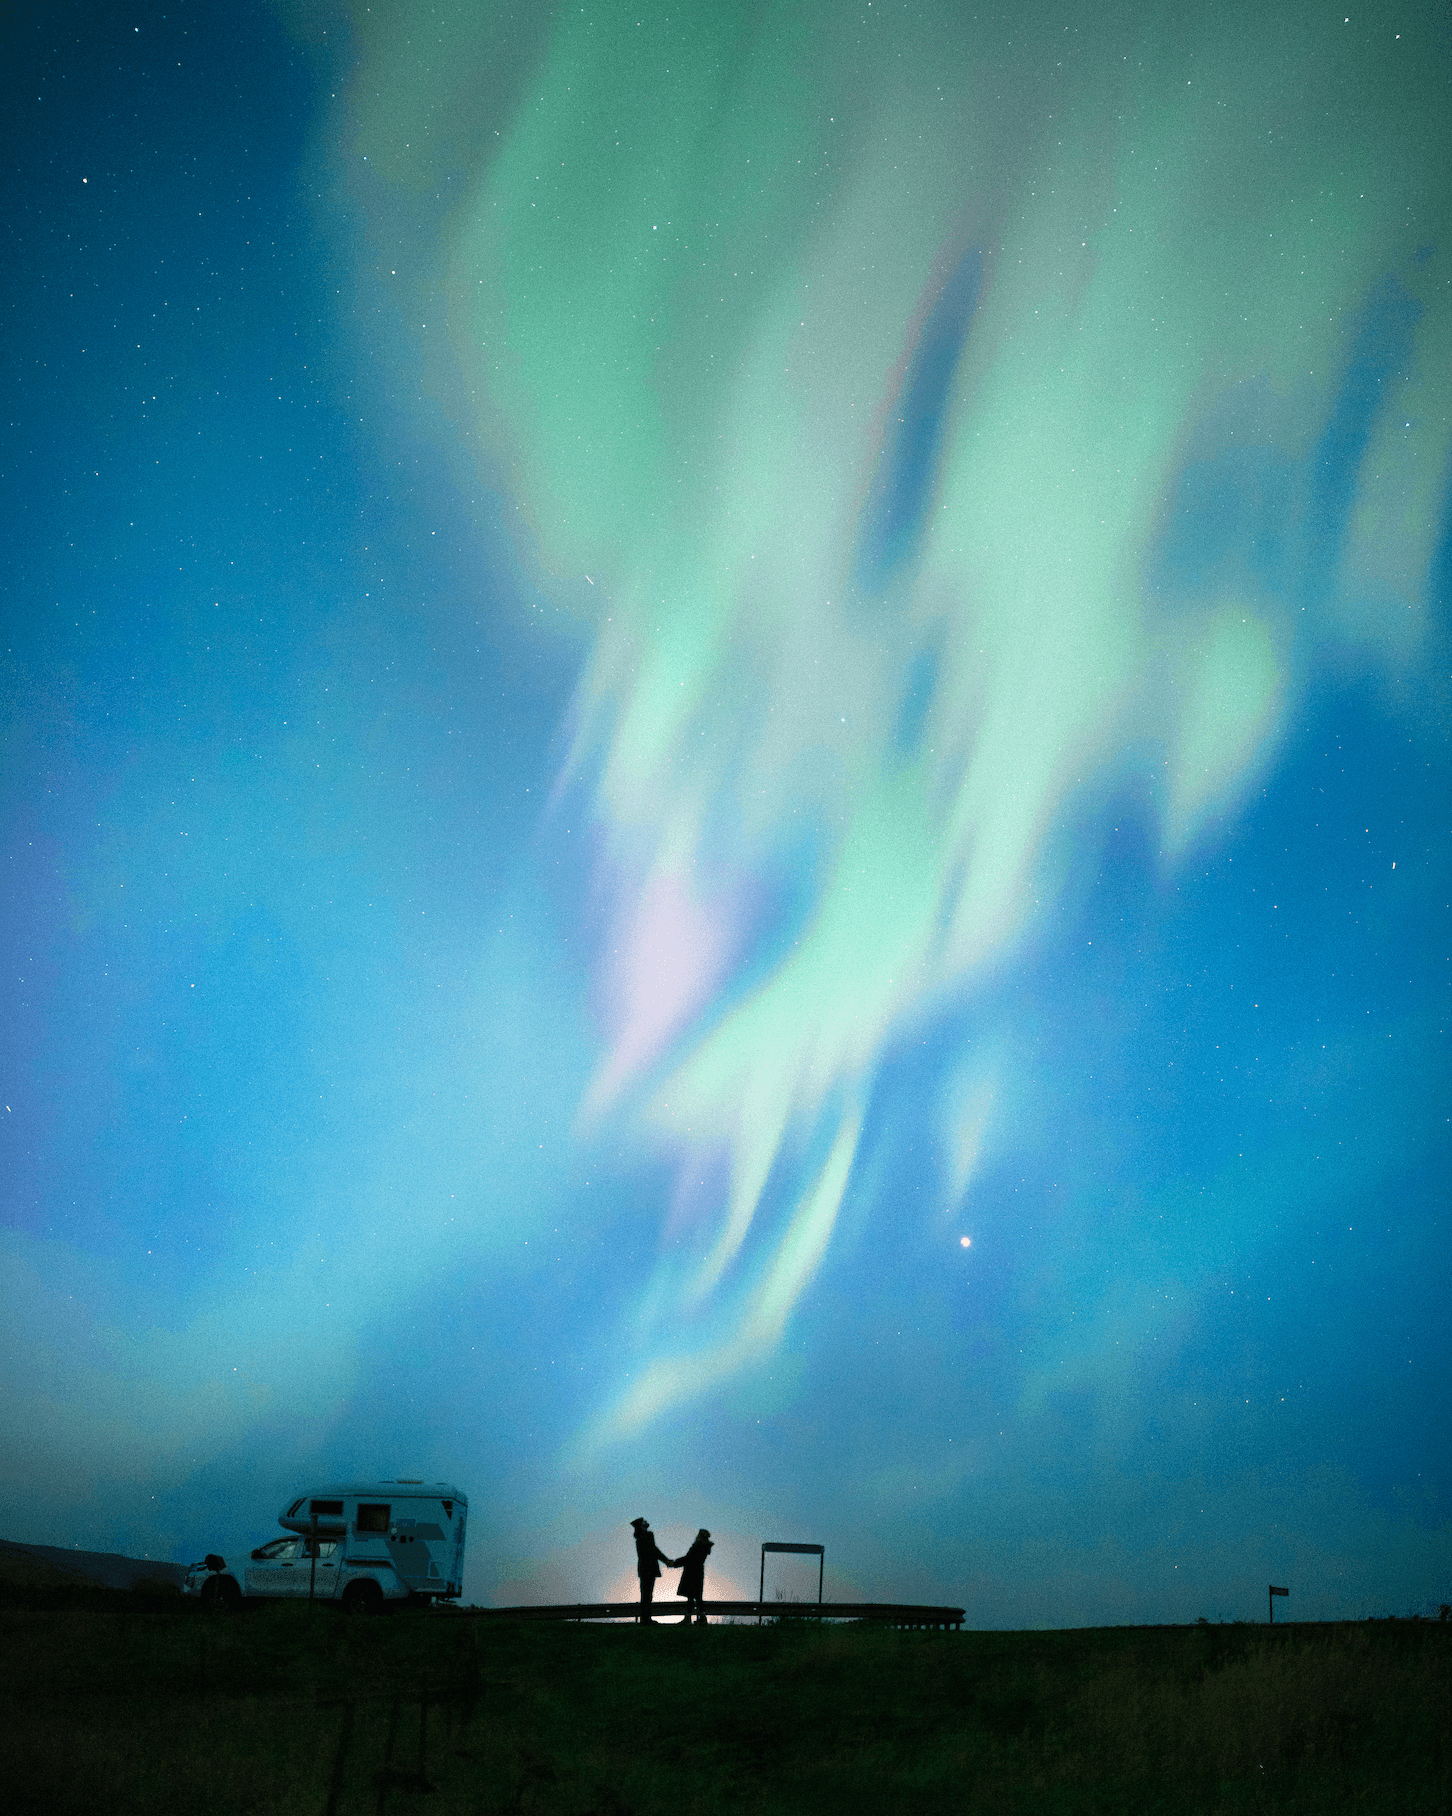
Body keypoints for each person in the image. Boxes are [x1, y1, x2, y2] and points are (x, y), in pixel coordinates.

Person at [630, 1517, 673, 1624]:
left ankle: (645, 1618)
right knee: (647, 1594)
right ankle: (646, 1618)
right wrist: (666, 1561)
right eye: (644, 1521)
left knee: (645, 1594)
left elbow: (653, 1550)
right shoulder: (647, 1536)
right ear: (641, 1525)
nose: (646, 1522)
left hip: (644, 1568)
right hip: (649, 1568)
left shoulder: (639, 1537)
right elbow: (654, 1550)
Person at [674, 1528, 713, 1626]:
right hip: (698, 1572)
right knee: (696, 1596)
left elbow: (688, 1559)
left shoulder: (698, 1546)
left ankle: (689, 1618)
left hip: (692, 1573)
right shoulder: (704, 1547)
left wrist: (675, 1563)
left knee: (692, 1596)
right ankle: (701, 1617)